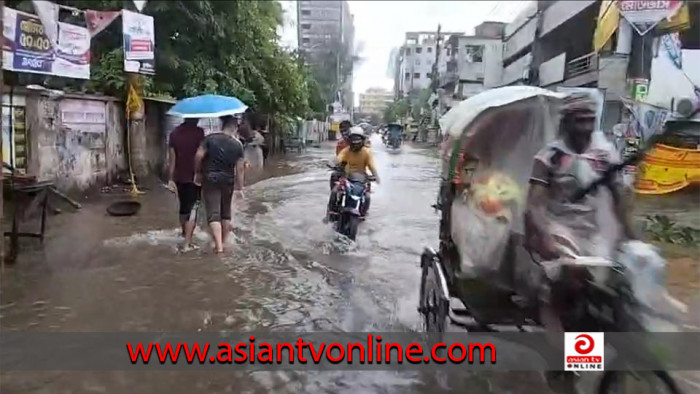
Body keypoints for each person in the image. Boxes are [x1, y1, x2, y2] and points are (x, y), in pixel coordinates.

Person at [523, 93, 638, 392]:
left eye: (590, 119)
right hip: (559, 229)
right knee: (567, 281)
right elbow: (535, 204)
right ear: (567, 121)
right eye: (579, 119)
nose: (586, 126)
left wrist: (633, 239)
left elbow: (620, 201)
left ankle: (605, 360)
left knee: (621, 287)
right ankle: (561, 361)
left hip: (594, 232)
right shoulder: (549, 157)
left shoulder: (605, 155)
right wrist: (544, 233)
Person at [193, 115, 246, 254]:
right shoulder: (238, 145)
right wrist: (240, 187)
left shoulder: (210, 139)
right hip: (228, 181)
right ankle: (223, 242)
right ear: (234, 127)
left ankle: (219, 247)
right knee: (226, 214)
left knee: (214, 214)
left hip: (211, 179)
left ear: (222, 125)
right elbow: (240, 168)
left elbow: (198, 155)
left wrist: (198, 172)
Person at [167, 117, 205, 250]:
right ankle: (187, 243)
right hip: (194, 177)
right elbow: (202, 156)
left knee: (183, 207)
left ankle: (184, 234)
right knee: (193, 208)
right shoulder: (199, 133)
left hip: (179, 177)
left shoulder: (174, 133)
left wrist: (170, 178)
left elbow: (172, 159)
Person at [326, 127, 380, 220]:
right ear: (349, 141)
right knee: (335, 192)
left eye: (358, 142)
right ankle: (330, 212)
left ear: (362, 141)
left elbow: (372, 166)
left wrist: (376, 176)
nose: (355, 144)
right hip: (347, 177)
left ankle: (363, 213)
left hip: (361, 179)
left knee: (367, 197)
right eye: (353, 141)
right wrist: (333, 163)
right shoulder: (346, 151)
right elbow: (338, 158)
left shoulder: (367, 152)